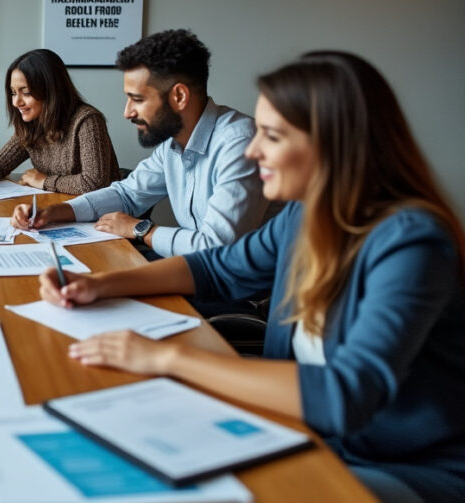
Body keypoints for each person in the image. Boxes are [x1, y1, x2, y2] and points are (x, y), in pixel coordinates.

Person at [40, 52, 465, 502]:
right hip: (310, 435)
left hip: (399, 465)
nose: (252, 149)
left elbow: (346, 394)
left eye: (272, 136)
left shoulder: (412, 242)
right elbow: (215, 268)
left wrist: (166, 360)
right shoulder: (302, 216)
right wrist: (98, 284)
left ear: (336, 145)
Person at [13, 29, 267, 258]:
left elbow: (217, 247)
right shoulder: (173, 143)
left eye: (137, 99)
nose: (127, 112)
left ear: (179, 96)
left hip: (235, 289)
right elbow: (126, 194)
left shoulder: (239, 144)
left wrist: (140, 229)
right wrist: (55, 212)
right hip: (193, 267)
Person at [0, 49, 119, 194]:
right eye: (14, 93)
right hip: (57, 209)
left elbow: (95, 183)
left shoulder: (87, 121)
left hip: (100, 219)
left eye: (26, 92)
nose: (16, 102)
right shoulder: (33, 123)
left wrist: (45, 181)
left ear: (51, 91)